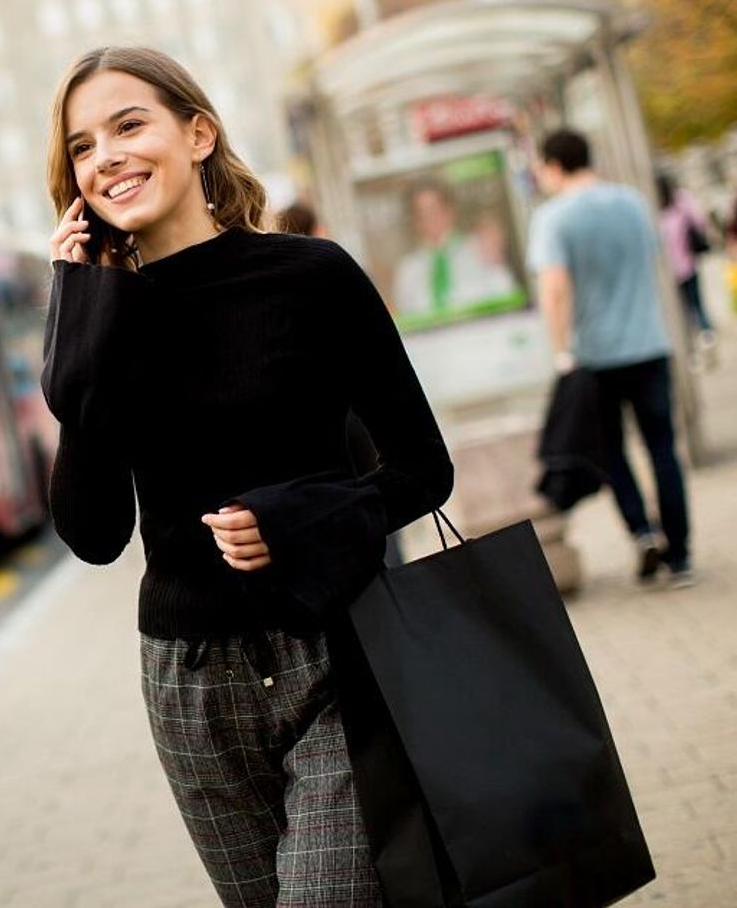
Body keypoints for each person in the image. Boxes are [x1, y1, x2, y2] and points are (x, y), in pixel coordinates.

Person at [41, 46, 453, 906]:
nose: (106, 155)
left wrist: (299, 519)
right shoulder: (102, 322)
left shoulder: (312, 277)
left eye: (128, 124)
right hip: (188, 685)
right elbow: (92, 532)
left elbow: (423, 468)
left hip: (335, 651)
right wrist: (81, 314)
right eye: (82, 146)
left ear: (198, 133)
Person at [528, 130, 694, 586]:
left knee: (614, 453)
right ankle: (680, 556)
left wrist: (561, 350)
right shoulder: (633, 203)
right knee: (663, 449)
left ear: (554, 165)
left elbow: (555, 287)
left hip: (595, 357)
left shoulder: (553, 218)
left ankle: (642, 533)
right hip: (649, 344)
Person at [391, 179, 522, 321]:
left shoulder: (480, 248)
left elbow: (509, 300)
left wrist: (496, 262)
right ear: (415, 221)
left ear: (450, 210)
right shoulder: (407, 269)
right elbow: (405, 322)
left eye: (435, 208)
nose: (431, 218)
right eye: (422, 212)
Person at [655, 171, 717, 361]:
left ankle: (692, 350)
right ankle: (707, 338)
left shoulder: (655, 207)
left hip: (667, 272)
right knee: (698, 304)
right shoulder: (681, 200)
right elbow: (699, 222)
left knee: (681, 312)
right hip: (687, 264)